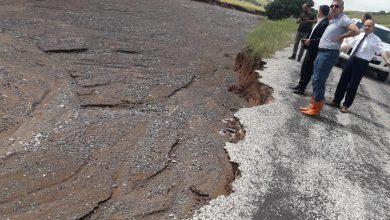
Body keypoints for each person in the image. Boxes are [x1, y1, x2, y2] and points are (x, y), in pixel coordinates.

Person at [300, 0, 359, 117]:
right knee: (315, 79)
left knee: (319, 80)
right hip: (322, 52)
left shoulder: (344, 19)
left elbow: (355, 30)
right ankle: (312, 105)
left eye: (336, 6)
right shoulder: (334, 19)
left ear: (342, 8)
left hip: (329, 54)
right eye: (332, 6)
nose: (333, 8)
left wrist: (342, 36)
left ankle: (316, 108)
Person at [329, 19, 390, 113]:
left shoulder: (376, 40)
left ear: (373, 28)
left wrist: (387, 61)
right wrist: (334, 49)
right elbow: (348, 46)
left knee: (353, 85)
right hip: (351, 60)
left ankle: (346, 105)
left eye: (369, 26)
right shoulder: (358, 35)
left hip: (362, 63)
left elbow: (382, 51)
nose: (366, 27)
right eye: (365, 25)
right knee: (343, 81)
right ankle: (336, 101)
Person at [291, 5, 330, 95]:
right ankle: (300, 85)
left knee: (308, 69)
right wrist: (308, 39)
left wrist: (310, 41)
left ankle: (302, 88)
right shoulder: (320, 21)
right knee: (304, 67)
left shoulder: (325, 23)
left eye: (318, 10)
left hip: (315, 49)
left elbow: (322, 39)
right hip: (310, 48)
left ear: (321, 11)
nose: (317, 12)